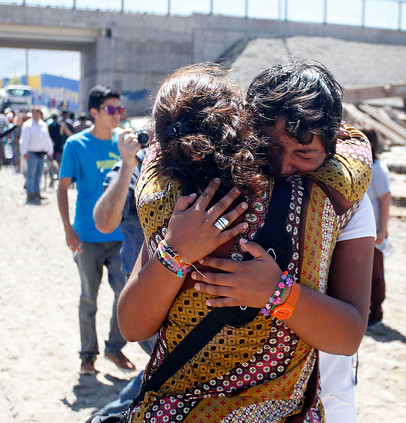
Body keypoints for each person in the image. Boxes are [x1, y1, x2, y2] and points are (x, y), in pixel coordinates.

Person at [117, 61, 373, 422]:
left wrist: (277, 293)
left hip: (323, 398)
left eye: (305, 154)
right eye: (268, 148)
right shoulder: (194, 198)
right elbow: (132, 326)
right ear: (245, 129)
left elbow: (348, 335)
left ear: (331, 149)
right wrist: (175, 253)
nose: (283, 167)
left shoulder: (337, 201)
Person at [57, 85, 135, 376]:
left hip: (121, 237)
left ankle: (115, 349)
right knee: (88, 298)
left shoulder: (124, 144)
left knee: (123, 294)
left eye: (119, 109)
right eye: (110, 109)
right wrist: (68, 230)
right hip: (86, 237)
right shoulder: (75, 145)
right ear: (94, 112)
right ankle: (87, 355)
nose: (117, 114)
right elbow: (62, 189)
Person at [92, 129, 156, 413]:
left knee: (163, 366)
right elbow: (104, 223)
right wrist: (129, 163)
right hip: (141, 288)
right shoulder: (137, 163)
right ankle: (110, 415)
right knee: (164, 365)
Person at [361, 128, 391, 328]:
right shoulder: (363, 167)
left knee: (376, 274)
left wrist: (382, 230)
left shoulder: (378, 169)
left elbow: (385, 199)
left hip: (374, 232)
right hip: (363, 231)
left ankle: (376, 313)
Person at [19, 107, 53, 204]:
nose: (37, 115)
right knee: (31, 174)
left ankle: (37, 192)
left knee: (38, 174)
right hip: (31, 152)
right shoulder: (28, 125)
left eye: (38, 113)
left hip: (41, 153)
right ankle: (30, 193)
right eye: (35, 113)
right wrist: (24, 152)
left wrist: (49, 151)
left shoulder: (43, 125)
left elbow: (46, 139)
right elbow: (24, 140)